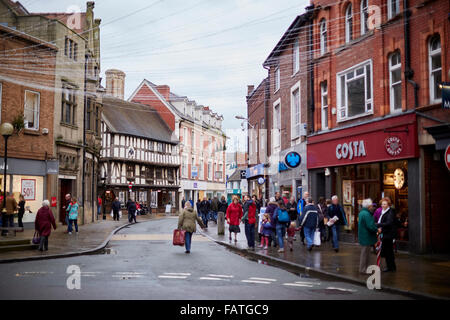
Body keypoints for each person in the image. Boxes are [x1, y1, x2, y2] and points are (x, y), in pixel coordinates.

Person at [358, 199, 379, 274]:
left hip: (363, 236)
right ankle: (363, 269)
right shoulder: (367, 214)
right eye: (371, 205)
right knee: (365, 254)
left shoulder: (362, 213)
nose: (372, 207)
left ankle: (364, 268)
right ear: (368, 206)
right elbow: (370, 226)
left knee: (365, 253)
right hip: (366, 236)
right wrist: (377, 229)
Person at [376, 198, 397, 272]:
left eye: (384, 204)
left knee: (388, 251)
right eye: (382, 204)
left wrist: (378, 225)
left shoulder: (390, 212)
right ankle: (391, 267)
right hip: (385, 233)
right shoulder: (384, 211)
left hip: (389, 234)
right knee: (388, 251)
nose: (383, 205)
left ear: (388, 204)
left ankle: (391, 267)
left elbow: (389, 223)